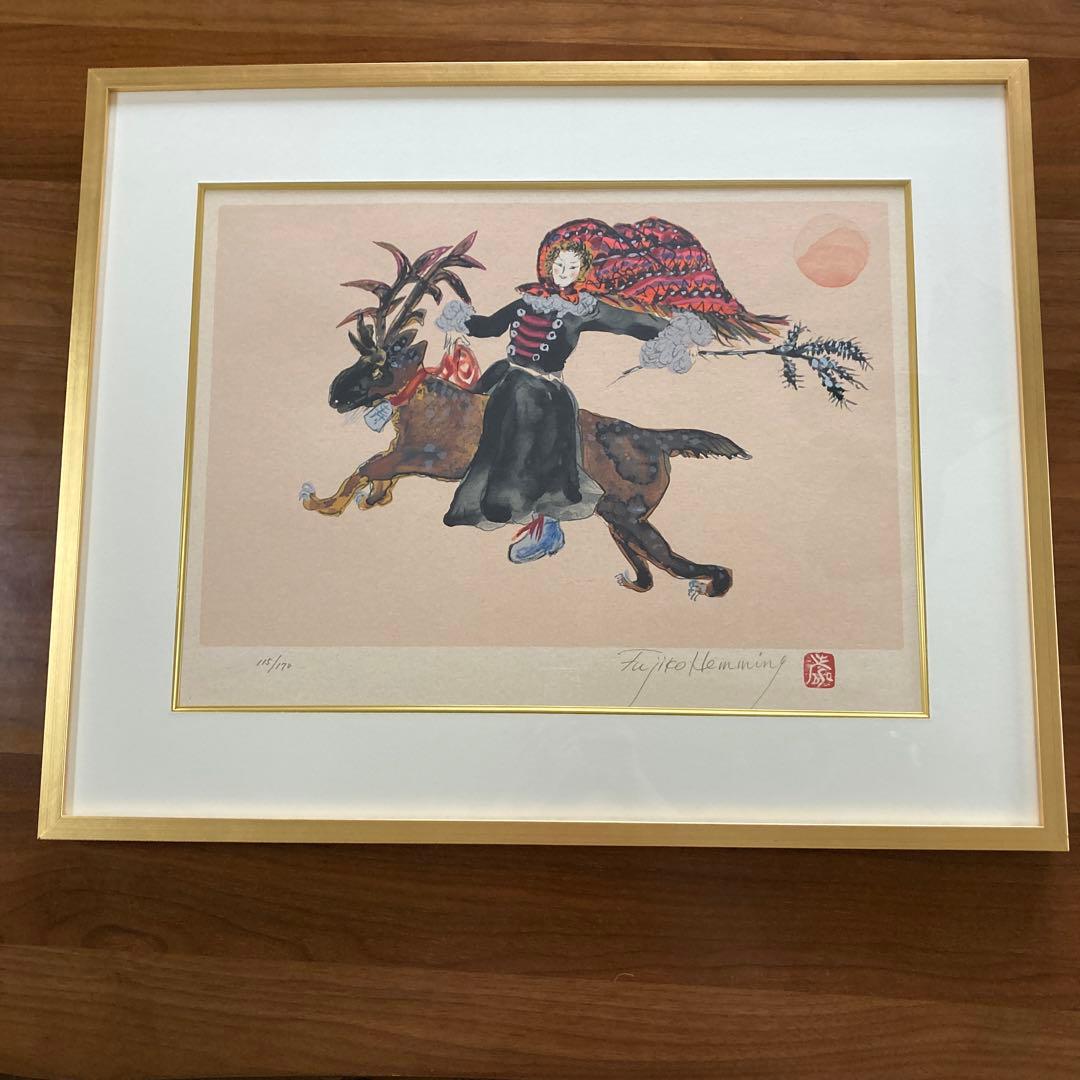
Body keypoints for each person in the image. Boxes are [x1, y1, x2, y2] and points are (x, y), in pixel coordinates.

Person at [434, 217, 781, 563]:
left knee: (538, 460)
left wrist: (677, 336)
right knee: (488, 443)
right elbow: (489, 327)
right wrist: (460, 322)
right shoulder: (527, 301)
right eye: (559, 265)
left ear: (581, 273)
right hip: (509, 383)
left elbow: (632, 323)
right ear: (549, 266)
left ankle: (547, 527)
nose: (563, 272)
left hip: (545, 396)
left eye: (572, 268)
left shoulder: (583, 309)